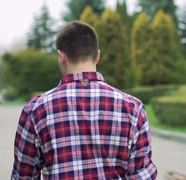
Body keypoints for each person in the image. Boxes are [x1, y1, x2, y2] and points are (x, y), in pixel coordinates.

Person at [11, 21, 157, 179]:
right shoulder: (133, 109)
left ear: (61, 57)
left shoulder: (35, 110)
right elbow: (142, 176)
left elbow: (23, 176)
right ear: (98, 56)